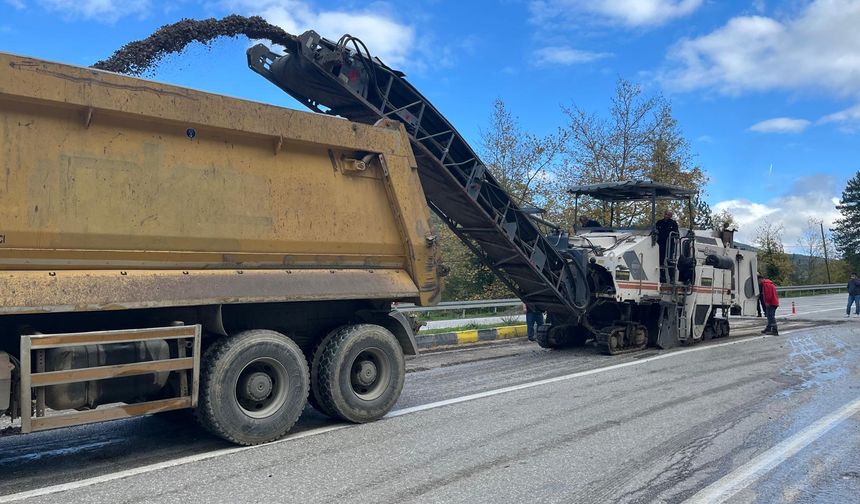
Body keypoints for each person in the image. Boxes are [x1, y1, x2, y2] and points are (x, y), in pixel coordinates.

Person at [656, 210, 679, 282]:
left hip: (670, 245)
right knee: (660, 260)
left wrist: (676, 239)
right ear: (664, 214)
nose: (667, 216)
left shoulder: (673, 223)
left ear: (671, 216)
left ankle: (671, 278)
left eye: (669, 215)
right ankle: (662, 277)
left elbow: (676, 233)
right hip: (661, 244)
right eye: (666, 214)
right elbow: (655, 231)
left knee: (670, 260)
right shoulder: (659, 222)